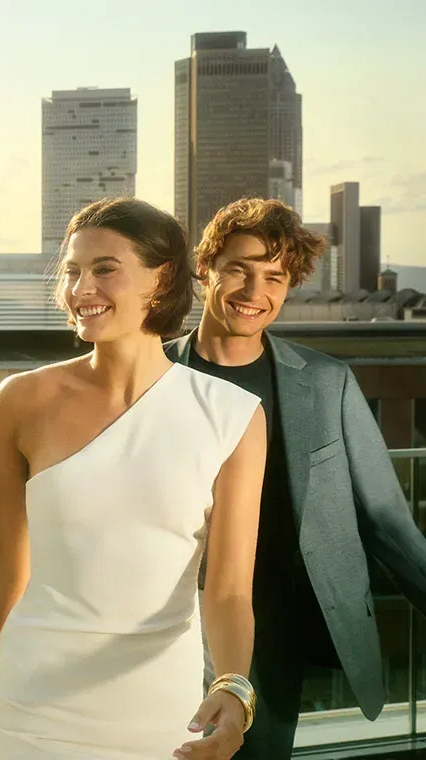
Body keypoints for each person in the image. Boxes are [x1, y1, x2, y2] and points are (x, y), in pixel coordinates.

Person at [0, 197, 269, 760]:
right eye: (72, 271)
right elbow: (3, 575)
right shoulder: (23, 399)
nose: (80, 289)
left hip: (160, 707)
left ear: (161, 278)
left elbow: (229, 588)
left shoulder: (234, 415)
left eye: (104, 269)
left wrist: (234, 688)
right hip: (31, 704)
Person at [165, 197, 426, 759]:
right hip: (171, 621)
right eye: (239, 268)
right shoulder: (154, 376)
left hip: (277, 625)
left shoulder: (327, 382)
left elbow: (385, 519)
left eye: (274, 277)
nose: (254, 291)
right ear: (205, 268)